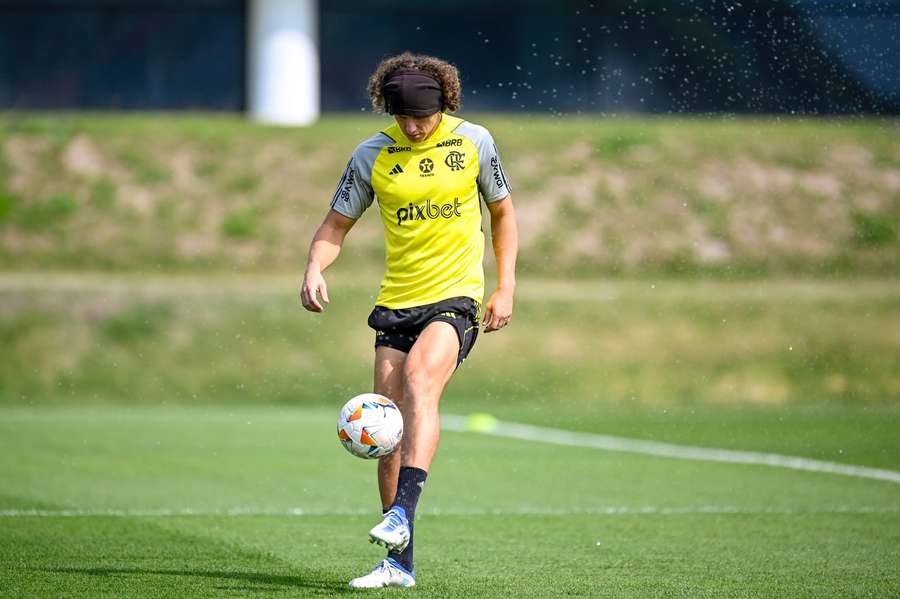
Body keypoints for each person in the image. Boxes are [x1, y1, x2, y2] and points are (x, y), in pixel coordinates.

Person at [300, 52, 518, 589]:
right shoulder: (371, 154)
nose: (415, 127)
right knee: (388, 426)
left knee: (423, 379)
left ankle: (401, 514)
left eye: (423, 117)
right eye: (404, 119)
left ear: (444, 104)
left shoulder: (474, 142)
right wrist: (313, 266)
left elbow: (503, 213)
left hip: (457, 297)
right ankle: (399, 563)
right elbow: (335, 224)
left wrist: (505, 286)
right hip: (397, 301)